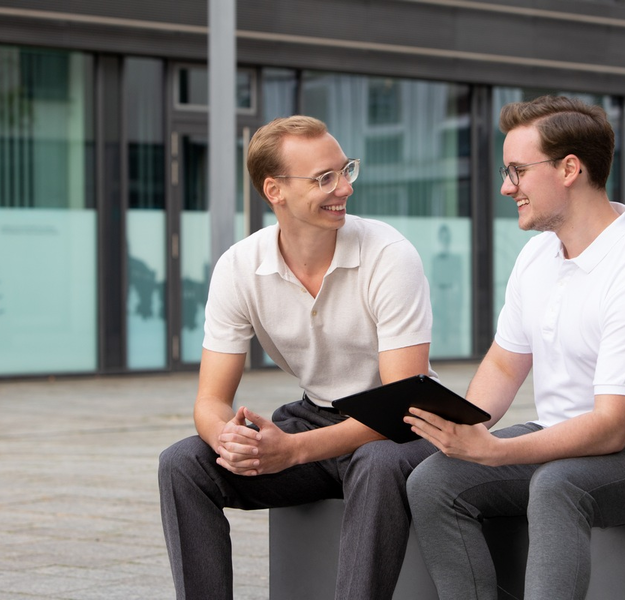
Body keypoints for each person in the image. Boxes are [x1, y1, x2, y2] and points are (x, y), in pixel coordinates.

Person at [405, 96, 625, 600]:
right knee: (434, 480)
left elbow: (612, 428)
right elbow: (506, 364)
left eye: (518, 171)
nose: (508, 187)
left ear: (569, 168)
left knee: (558, 487)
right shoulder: (536, 256)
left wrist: (497, 452)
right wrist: (466, 426)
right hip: (561, 435)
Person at [158, 116, 437, 600]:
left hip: (403, 428)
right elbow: (210, 399)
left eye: (345, 169)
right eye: (324, 178)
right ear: (275, 190)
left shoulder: (389, 255)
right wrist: (228, 440)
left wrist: (292, 450)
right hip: (314, 415)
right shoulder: (240, 267)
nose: (345, 188)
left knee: (376, 463)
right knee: (183, 463)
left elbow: (400, 405)